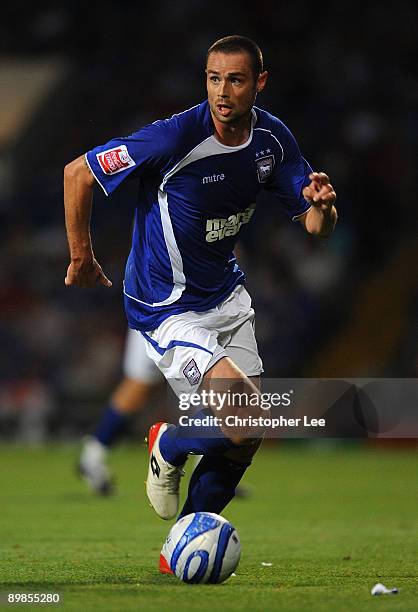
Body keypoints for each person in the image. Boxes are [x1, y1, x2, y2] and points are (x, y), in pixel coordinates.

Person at [64, 35, 337, 572]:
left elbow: (314, 225)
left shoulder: (272, 140)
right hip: (167, 306)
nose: (222, 91)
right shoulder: (174, 137)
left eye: (235, 79)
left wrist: (323, 207)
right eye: (214, 78)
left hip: (227, 297)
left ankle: (176, 552)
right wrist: (81, 257)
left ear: (259, 82)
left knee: (248, 439)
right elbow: (79, 173)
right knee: (244, 421)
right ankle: (170, 442)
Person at [78, 328, 162, 494]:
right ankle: (92, 455)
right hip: (157, 313)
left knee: (211, 380)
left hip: (205, 313)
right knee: (138, 385)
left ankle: (214, 468)